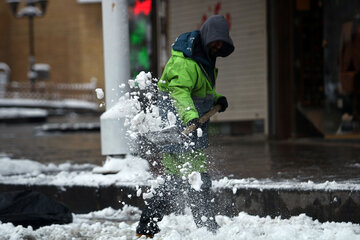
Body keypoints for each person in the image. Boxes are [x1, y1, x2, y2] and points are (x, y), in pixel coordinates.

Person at [136, 15, 234, 238]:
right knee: (190, 181)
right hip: (178, 129)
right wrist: (190, 117)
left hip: (191, 127)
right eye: (215, 42)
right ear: (208, 37)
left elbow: (200, 91)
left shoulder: (203, 59)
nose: (218, 47)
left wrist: (217, 99)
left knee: (181, 181)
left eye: (222, 43)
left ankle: (150, 227)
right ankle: (205, 229)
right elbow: (179, 92)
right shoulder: (186, 61)